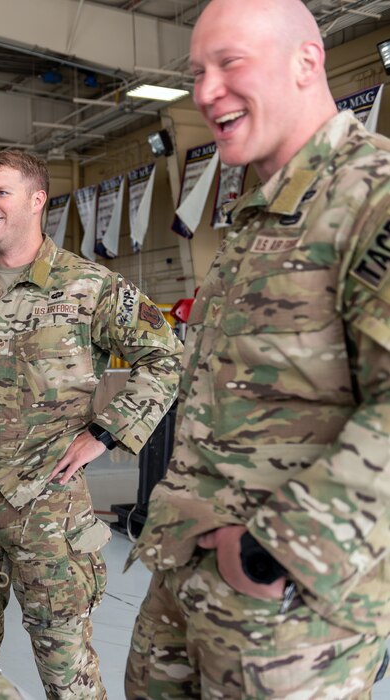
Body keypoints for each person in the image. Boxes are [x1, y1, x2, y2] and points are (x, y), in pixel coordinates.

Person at [125, 1, 390, 697]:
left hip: (290, 615)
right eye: (196, 72)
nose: (206, 90)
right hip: (186, 573)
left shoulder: (370, 196)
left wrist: (270, 552)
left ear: (307, 61)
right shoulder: (257, 216)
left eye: (229, 62)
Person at [0, 149, 182, 698]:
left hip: (48, 505)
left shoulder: (89, 287)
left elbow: (166, 357)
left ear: (36, 201)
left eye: (0, 192)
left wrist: (104, 434)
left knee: (65, 663)